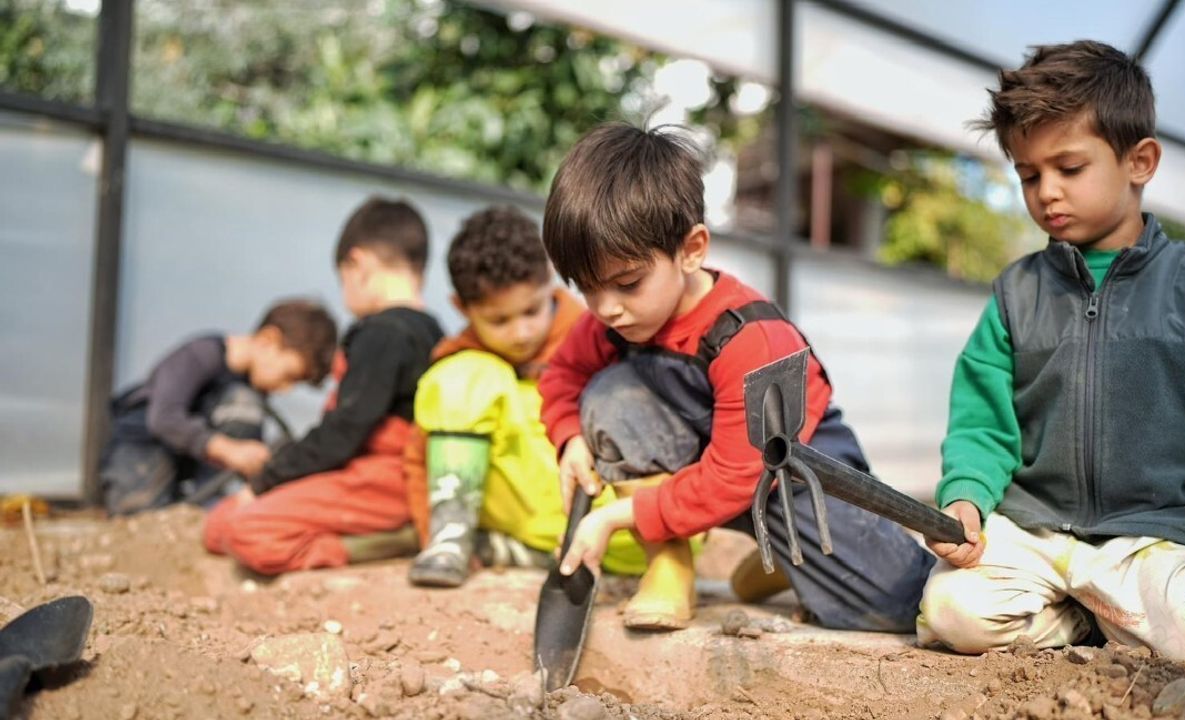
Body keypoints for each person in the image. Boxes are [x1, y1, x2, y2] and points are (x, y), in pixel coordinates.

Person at [917, 41, 1185, 662]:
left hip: (1152, 542)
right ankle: (1096, 623)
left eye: (1069, 168)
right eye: (1029, 175)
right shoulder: (1015, 293)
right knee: (951, 613)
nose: (1046, 193)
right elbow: (982, 422)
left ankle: (1111, 616)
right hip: (1033, 534)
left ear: (1140, 161)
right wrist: (966, 499)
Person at [544, 123, 935, 632]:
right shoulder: (613, 319)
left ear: (692, 249)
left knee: (900, 604)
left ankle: (782, 563)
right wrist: (570, 438)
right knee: (610, 396)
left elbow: (737, 474)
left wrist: (619, 515)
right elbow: (561, 377)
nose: (606, 308)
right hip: (701, 471)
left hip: (791, 477)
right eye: (586, 288)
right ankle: (668, 564)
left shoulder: (751, 338)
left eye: (627, 283)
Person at [404, 205, 645, 587]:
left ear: (551, 278)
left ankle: (533, 551)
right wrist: (430, 534)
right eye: (499, 320)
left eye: (532, 310)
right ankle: (453, 540)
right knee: (462, 376)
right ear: (461, 308)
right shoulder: (461, 358)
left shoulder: (597, 335)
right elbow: (420, 458)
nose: (521, 333)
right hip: (515, 507)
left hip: (592, 506)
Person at [203, 196, 445, 575]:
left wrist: (266, 481)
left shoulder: (383, 333)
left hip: (385, 480)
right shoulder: (431, 330)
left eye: (343, 279)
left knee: (243, 530)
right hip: (371, 476)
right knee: (217, 526)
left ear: (358, 265)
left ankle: (382, 542)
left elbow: (342, 434)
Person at [100, 299, 335, 516]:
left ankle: (211, 504)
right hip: (142, 448)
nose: (286, 389)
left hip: (186, 463)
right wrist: (230, 450)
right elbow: (164, 418)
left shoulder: (250, 391)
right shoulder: (200, 355)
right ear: (268, 340)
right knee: (243, 401)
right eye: (290, 376)